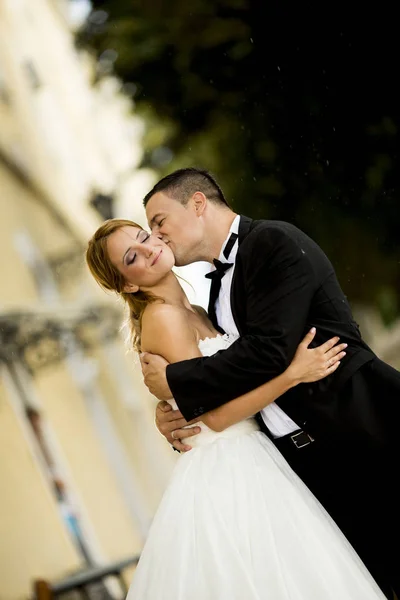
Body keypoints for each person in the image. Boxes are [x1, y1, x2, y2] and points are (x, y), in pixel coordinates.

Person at [85, 217, 386, 600]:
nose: (148, 248)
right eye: (132, 256)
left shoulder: (196, 308)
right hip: (230, 466)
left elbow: (220, 384)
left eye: (144, 237)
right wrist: (293, 374)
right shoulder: (163, 317)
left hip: (256, 453)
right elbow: (217, 416)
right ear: (128, 283)